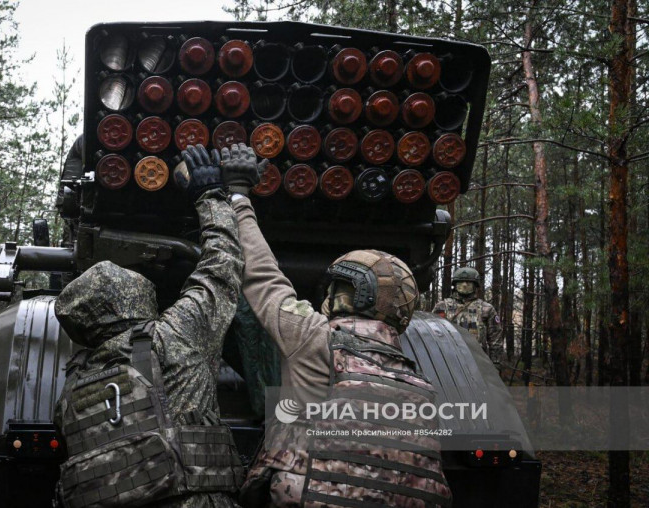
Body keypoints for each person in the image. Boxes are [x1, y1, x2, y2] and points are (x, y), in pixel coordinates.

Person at [220, 144, 452, 508]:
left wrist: (238, 194)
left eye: (337, 288)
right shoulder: (420, 388)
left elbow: (262, 274)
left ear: (354, 296)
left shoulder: (315, 339)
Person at [54, 145, 244, 508]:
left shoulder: (71, 391)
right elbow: (222, 266)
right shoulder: (173, 337)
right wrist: (209, 195)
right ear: (133, 297)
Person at [433, 267, 503, 363]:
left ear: (475, 285)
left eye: (469, 282)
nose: (465, 285)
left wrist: (495, 363)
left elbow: (495, 340)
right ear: (455, 284)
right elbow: (433, 334)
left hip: (477, 361)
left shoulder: (486, 309)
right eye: (461, 282)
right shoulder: (442, 306)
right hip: (448, 360)